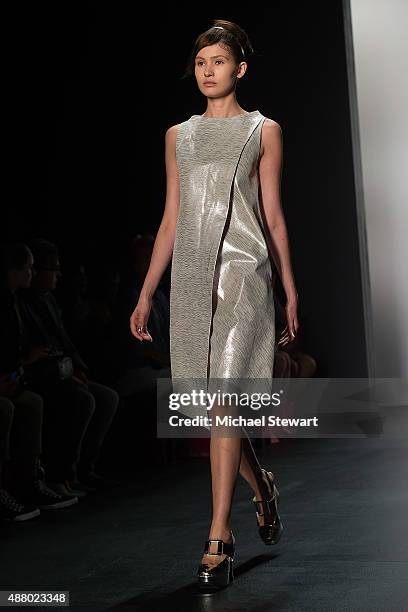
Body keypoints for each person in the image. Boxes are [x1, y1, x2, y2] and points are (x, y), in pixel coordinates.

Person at [130, 20, 299, 592]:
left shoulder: (263, 131)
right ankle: (262, 486)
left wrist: (289, 287)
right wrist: (148, 289)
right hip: (194, 278)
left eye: (219, 61)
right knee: (211, 408)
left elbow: (272, 213)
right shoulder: (179, 136)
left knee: (225, 400)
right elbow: (171, 217)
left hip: (245, 273)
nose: (207, 71)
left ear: (240, 69)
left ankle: (218, 536)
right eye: (201, 62)